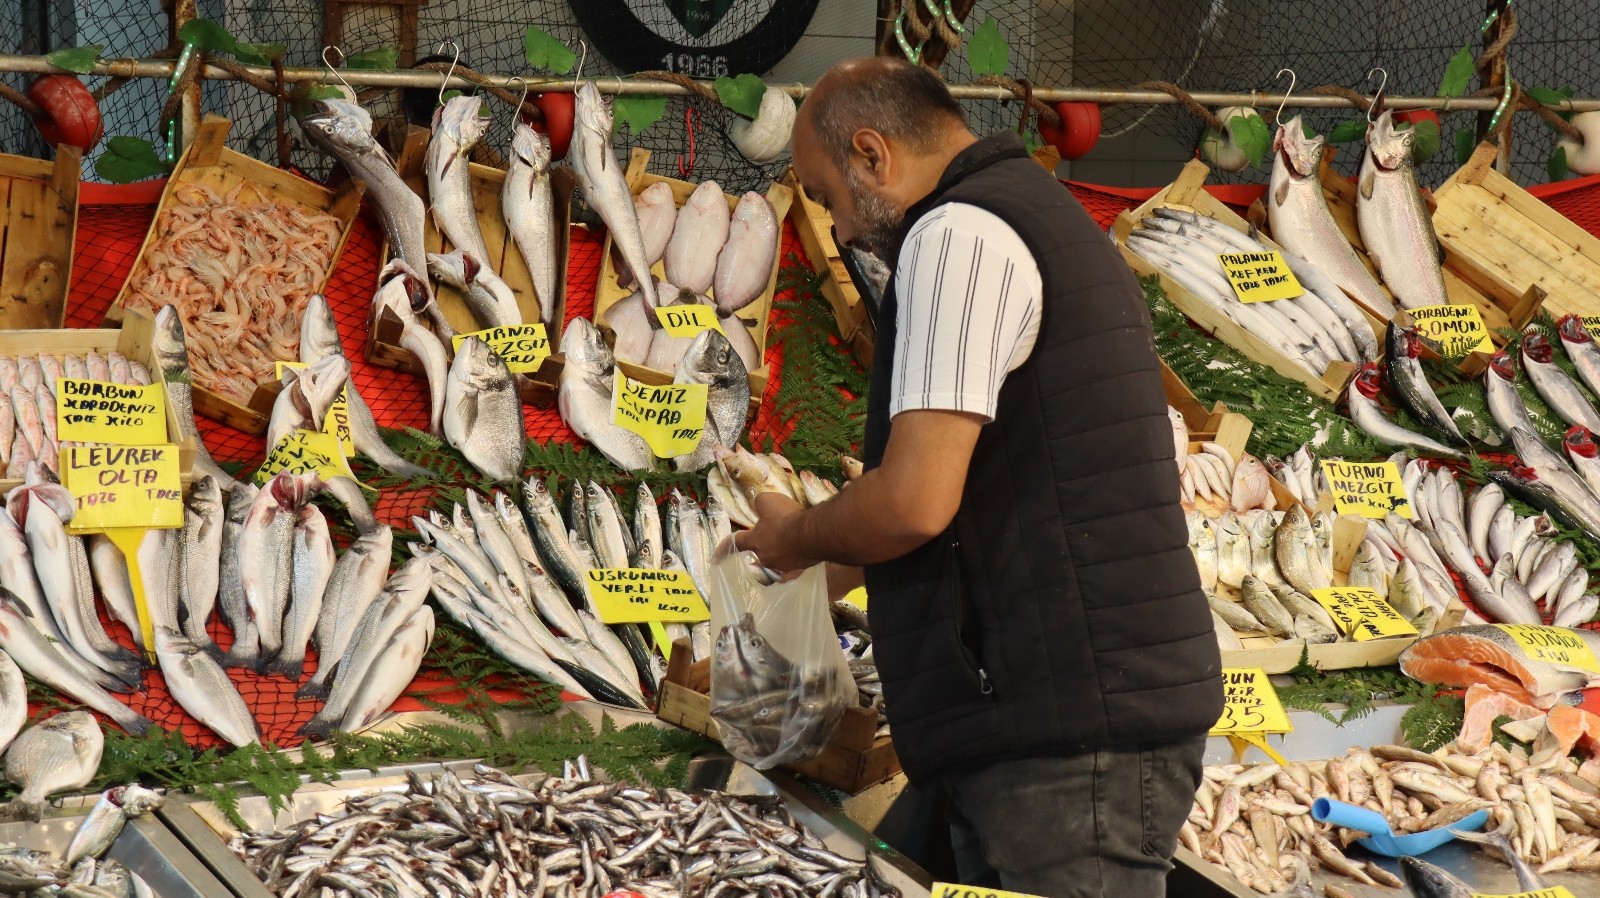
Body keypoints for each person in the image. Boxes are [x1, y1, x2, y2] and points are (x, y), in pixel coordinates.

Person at [735, 58, 1224, 898]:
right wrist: (813, 571)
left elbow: (917, 500)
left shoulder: (958, 236)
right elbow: (983, 488)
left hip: (1068, 741)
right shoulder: (1026, 214)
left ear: (871, 154)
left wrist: (798, 536)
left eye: (825, 196)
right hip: (1049, 719)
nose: (840, 230)